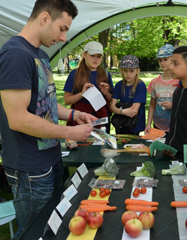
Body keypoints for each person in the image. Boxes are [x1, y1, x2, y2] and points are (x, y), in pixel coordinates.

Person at [0, 1, 97, 238]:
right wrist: (69, 132)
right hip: (30, 168)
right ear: (44, 18)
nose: (64, 38)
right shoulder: (15, 54)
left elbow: (47, 103)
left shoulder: (40, 55)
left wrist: (75, 114)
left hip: (50, 160)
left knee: (51, 227)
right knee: (32, 231)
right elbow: (18, 119)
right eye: (62, 28)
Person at [63, 41, 114, 133]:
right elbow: (67, 100)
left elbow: (112, 100)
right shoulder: (75, 74)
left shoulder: (106, 74)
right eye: (92, 55)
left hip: (101, 119)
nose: (95, 59)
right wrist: (82, 94)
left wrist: (106, 93)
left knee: (100, 145)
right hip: (81, 118)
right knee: (82, 144)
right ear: (85, 55)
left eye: (98, 56)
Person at [145, 44, 179, 134]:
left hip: (175, 126)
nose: (162, 63)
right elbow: (152, 105)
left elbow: (185, 103)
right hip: (158, 125)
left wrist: (173, 104)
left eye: (165, 59)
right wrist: (148, 124)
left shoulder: (179, 81)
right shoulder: (155, 82)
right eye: (160, 60)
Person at [110, 55, 146, 135]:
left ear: (137, 71)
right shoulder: (119, 85)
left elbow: (134, 110)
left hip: (134, 124)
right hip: (121, 123)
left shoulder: (140, 85)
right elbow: (112, 107)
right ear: (121, 70)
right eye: (125, 71)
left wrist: (119, 110)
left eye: (131, 71)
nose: (128, 74)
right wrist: (123, 111)